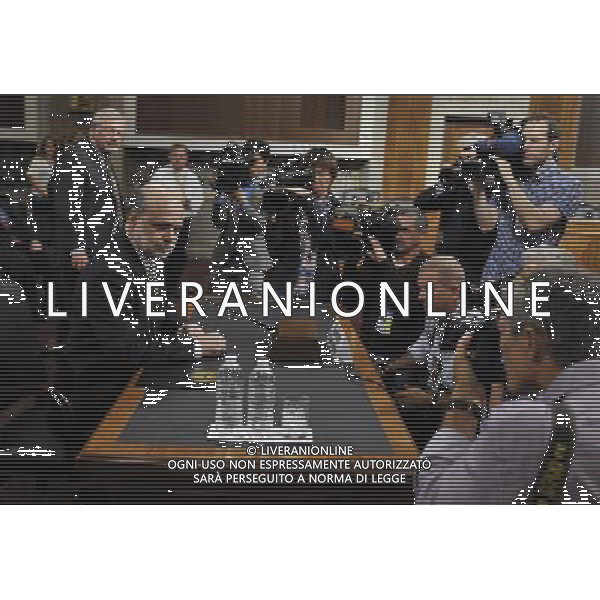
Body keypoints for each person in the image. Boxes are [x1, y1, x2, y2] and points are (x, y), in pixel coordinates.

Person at [50, 185, 227, 457]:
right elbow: (127, 348)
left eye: (176, 229)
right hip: (102, 389)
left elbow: (155, 308)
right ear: (132, 221)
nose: (170, 237)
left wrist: (179, 325)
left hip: (128, 370)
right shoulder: (108, 273)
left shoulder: (143, 257)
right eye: (160, 227)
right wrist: (195, 347)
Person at [416, 280, 600, 504]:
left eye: (502, 333)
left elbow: (434, 501)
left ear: (530, 341)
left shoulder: (530, 421)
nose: (500, 347)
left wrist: (465, 400)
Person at [383, 255, 486, 452]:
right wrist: (387, 366)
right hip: (433, 399)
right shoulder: (438, 311)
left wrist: (428, 399)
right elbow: (423, 346)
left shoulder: (477, 331)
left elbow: (477, 403)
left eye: (427, 290)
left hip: (453, 420)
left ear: (455, 290)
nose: (420, 296)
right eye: (420, 289)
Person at [476, 113, 584, 282]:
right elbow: (486, 224)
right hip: (494, 272)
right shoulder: (515, 177)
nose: (525, 146)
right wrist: (477, 186)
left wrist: (509, 178)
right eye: (524, 140)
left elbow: (534, 222)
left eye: (534, 141)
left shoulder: (568, 183)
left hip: (532, 277)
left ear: (554, 145)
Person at [49, 108, 126, 336]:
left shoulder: (99, 157)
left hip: (98, 246)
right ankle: (68, 357)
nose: (116, 137)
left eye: (120, 133)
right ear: (95, 129)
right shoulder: (75, 155)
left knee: (89, 305)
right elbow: (69, 204)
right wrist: (78, 247)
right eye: (111, 131)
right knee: (74, 305)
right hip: (81, 250)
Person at [263, 148, 361, 302]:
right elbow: (275, 250)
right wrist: (273, 216)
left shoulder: (342, 211)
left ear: (332, 176)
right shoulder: (290, 206)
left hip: (324, 287)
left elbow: (334, 249)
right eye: (314, 174)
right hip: (286, 283)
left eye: (324, 174)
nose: (319, 179)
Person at [354, 206, 428, 358]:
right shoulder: (375, 259)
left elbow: (406, 305)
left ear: (422, 233)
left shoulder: (428, 266)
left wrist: (383, 263)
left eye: (405, 230)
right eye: (395, 229)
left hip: (398, 354)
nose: (398, 236)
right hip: (362, 344)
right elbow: (354, 297)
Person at [415, 157, 496, 285]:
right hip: (447, 253)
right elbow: (421, 202)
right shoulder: (455, 189)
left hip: (476, 256)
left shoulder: (490, 187)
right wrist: (444, 180)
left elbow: (488, 222)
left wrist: (477, 184)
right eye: (463, 161)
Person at [27, 137, 59, 308]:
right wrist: (46, 193)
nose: (50, 149)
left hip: (54, 201)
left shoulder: (58, 162)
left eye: (52, 146)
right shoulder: (38, 161)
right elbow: (33, 179)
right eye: (47, 146)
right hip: (41, 199)